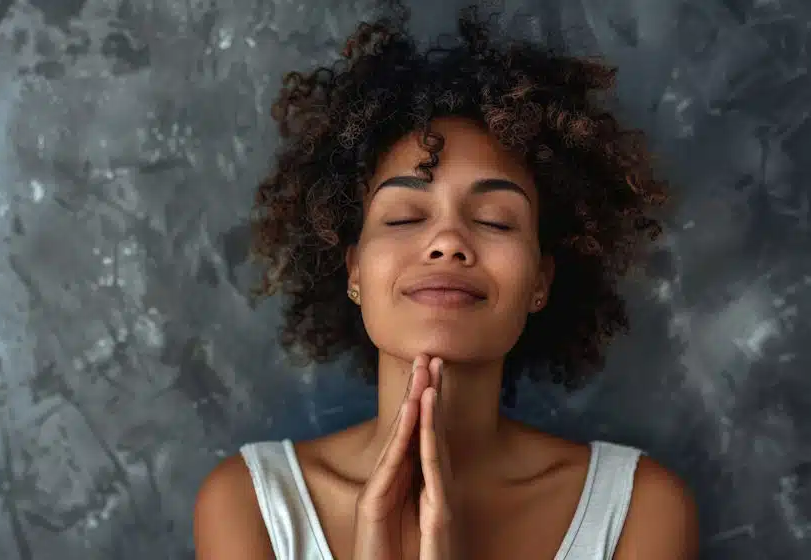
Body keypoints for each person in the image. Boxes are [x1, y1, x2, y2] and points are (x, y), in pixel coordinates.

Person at [194, 4, 699, 559]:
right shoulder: (252, 504)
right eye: (406, 217)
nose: (448, 241)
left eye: (495, 221)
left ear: (541, 280)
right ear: (354, 269)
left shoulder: (638, 509)